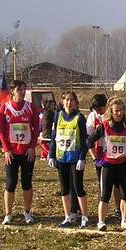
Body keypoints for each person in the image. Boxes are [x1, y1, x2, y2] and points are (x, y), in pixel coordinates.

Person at [87, 97, 126, 231]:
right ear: (111, 112)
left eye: (121, 110)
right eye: (116, 111)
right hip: (108, 165)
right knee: (105, 195)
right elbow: (89, 141)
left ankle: (124, 219)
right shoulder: (104, 125)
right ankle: (101, 222)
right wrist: (95, 159)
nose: (119, 113)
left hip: (124, 165)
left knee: (125, 194)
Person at [0, 79, 40, 225]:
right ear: (12, 92)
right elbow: (1, 131)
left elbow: (36, 128)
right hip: (11, 153)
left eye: (24, 89)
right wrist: (6, 150)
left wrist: (32, 147)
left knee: (26, 183)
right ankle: (8, 214)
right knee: (10, 183)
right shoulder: (5, 108)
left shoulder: (30, 107)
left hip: (27, 152)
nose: (23, 92)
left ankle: (27, 212)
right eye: (19, 90)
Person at [48, 91, 90, 229]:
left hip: (75, 159)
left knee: (78, 188)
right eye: (66, 99)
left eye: (71, 100)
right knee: (64, 189)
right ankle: (68, 217)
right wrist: (51, 154)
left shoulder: (79, 118)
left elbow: (84, 141)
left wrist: (82, 158)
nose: (68, 102)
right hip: (61, 158)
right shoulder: (58, 116)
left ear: (76, 103)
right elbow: (54, 136)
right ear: (62, 101)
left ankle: (84, 217)